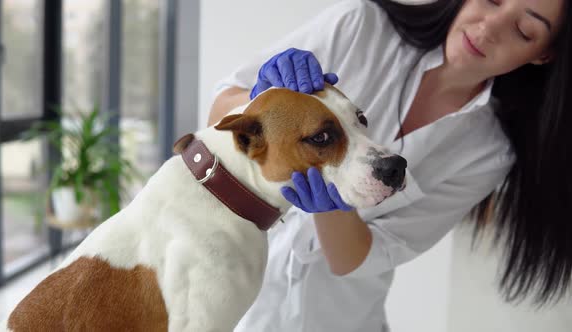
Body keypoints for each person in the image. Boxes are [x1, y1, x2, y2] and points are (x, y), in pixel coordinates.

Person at [207, 0, 572, 331]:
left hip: (336, 320)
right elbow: (217, 116)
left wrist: (335, 209)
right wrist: (257, 100)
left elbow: (364, 257)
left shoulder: (488, 152)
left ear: (543, 54)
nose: (489, 27)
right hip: (234, 299)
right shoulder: (361, 26)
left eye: (524, 31)